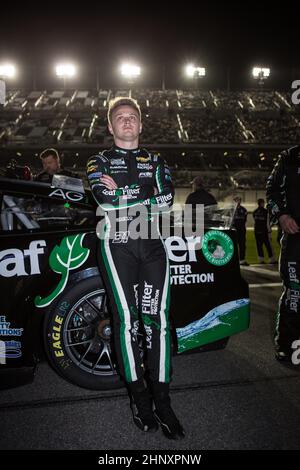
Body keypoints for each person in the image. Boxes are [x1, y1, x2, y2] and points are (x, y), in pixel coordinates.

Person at [86, 97, 185, 439]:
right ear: (110, 127)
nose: (126, 121)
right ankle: (141, 404)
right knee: (126, 323)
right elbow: (103, 198)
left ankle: (164, 402)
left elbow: (168, 200)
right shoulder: (97, 161)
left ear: (141, 126)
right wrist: (145, 194)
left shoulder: (156, 160)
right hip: (116, 246)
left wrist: (125, 193)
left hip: (153, 247)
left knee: (157, 321)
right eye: (120, 117)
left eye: (132, 117)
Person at [266, 145, 300, 363]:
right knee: (295, 292)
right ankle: (288, 345)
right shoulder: (290, 157)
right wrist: (282, 216)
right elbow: (272, 190)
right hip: (296, 236)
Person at [252, 198, 276, 264]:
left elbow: (255, 221)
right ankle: (271, 259)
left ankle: (261, 259)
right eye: (263, 202)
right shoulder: (266, 211)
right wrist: (269, 231)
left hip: (256, 231)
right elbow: (267, 222)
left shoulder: (254, 211)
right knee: (268, 245)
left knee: (259, 246)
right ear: (262, 203)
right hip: (264, 231)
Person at [232, 196, 249, 266]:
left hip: (242, 230)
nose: (238, 201)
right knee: (233, 246)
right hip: (233, 231)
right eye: (236, 200)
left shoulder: (244, 210)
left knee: (242, 245)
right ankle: (233, 261)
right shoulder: (231, 210)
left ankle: (242, 260)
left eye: (239, 200)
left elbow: (244, 220)